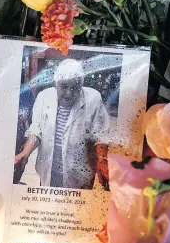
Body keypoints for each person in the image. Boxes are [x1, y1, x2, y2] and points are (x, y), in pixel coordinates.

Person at [14, 59, 110, 190]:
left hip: (81, 174)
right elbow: (36, 131)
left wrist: (102, 159)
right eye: (64, 86)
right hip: (49, 170)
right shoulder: (43, 97)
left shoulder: (93, 98)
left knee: (77, 208)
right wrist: (25, 153)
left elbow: (101, 133)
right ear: (56, 83)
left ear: (81, 85)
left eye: (75, 87)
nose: (69, 93)